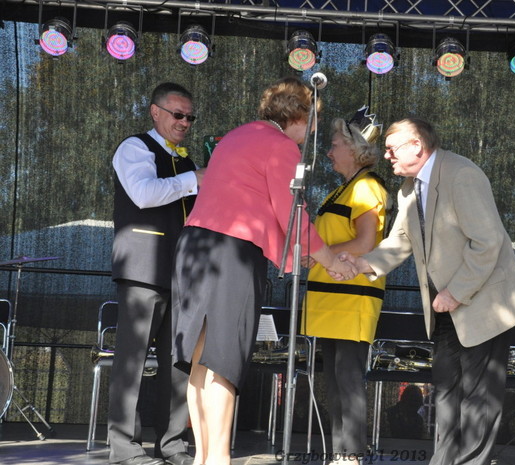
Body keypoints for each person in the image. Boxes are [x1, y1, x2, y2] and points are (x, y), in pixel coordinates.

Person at [170, 76, 356, 465]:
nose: (313, 133)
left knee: (200, 360)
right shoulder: (279, 145)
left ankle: (204, 457)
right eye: (313, 122)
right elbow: (292, 214)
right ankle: (218, 459)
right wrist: (330, 260)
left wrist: (299, 254)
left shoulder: (238, 136)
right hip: (231, 253)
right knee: (223, 361)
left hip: (194, 247)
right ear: (298, 114)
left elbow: (256, 205)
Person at [340, 118, 515, 465]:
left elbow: (487, 242)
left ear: (416, 146)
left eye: (392, 149)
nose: (386, 156)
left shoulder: (462, 175)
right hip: (445, 307)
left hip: (484, 304)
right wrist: (361, 264)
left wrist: (455, 293)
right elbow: (399, 242)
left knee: (478, 401)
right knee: (445, 394)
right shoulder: (409, 188)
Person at [110, 82, 205, 465]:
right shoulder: (135, 147)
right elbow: (144, 194)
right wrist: (195, 179)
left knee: (178, 365)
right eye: (177, 114)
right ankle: (124, 449)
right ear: (155, 111)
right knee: (131, 362)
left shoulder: (186, 161)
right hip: (142, 268)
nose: (184, 122)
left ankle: (173, 445)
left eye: (189, 117)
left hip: (182, 274)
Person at [300, 110, 388, 464]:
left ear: (354, 149)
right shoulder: (344, 188)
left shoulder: (367, 186)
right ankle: (339, 454)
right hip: (330, 298)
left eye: (335, 145)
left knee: (348, 380)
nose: (329, 151)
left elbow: (365, 242)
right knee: (335, 381)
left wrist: (320, 254)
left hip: (352, 297)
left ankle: (351, 456)